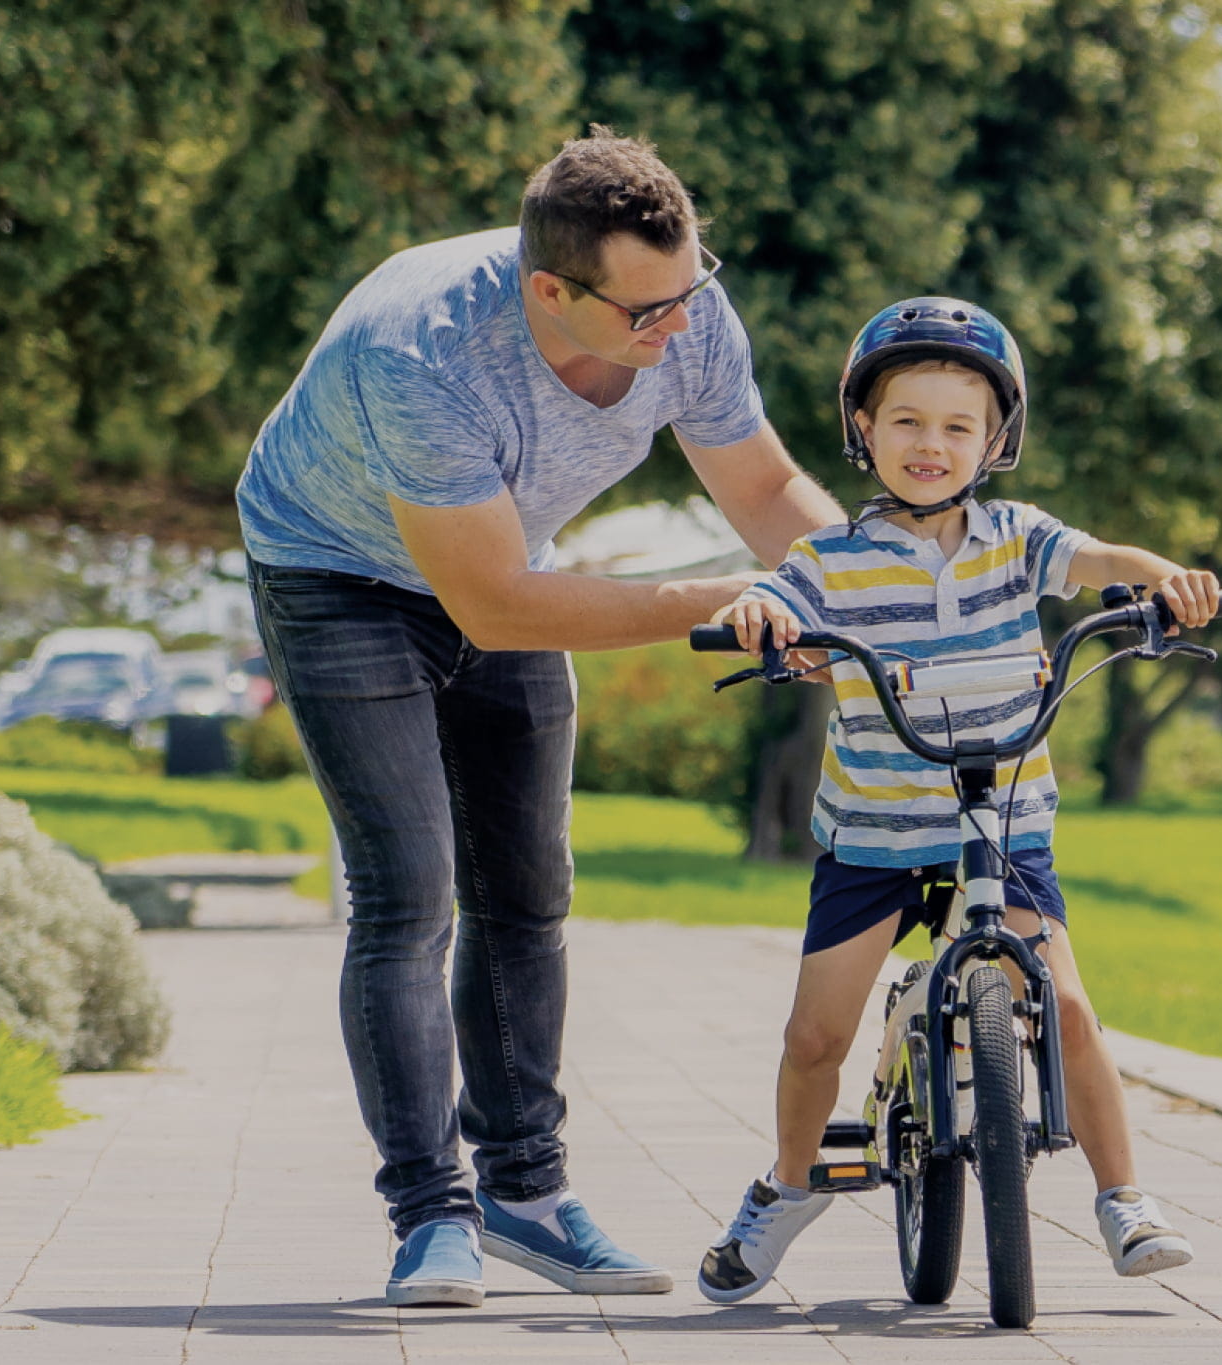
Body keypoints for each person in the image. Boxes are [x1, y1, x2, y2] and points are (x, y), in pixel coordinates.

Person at [234, 128, 840, 1307]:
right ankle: (429, 1213)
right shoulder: (425, 356)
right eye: (643, 314)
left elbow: (762, 488)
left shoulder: (683, 308)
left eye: (688, 294)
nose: (675, 332)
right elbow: (497, 607)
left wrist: (876, 593)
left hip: (499, 564)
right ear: (548, 290)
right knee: (407, 892)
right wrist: (729, 601)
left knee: (526, 889)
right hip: (336, 573)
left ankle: (525, 1193)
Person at [696, 298, 1222, 1305]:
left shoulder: (1017, 539)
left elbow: (1104, 561)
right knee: (814, 1038)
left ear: (994, 439)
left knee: (1065, 1005)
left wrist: (1165, 583)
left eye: (956, 426)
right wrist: (759, 614)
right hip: (874, 839)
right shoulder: (829, 563)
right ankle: (789, 1183)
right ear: (863, 430)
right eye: (905, 421)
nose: (929, 445)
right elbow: (773, 604)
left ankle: (1124, 1199)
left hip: (1002, 822)